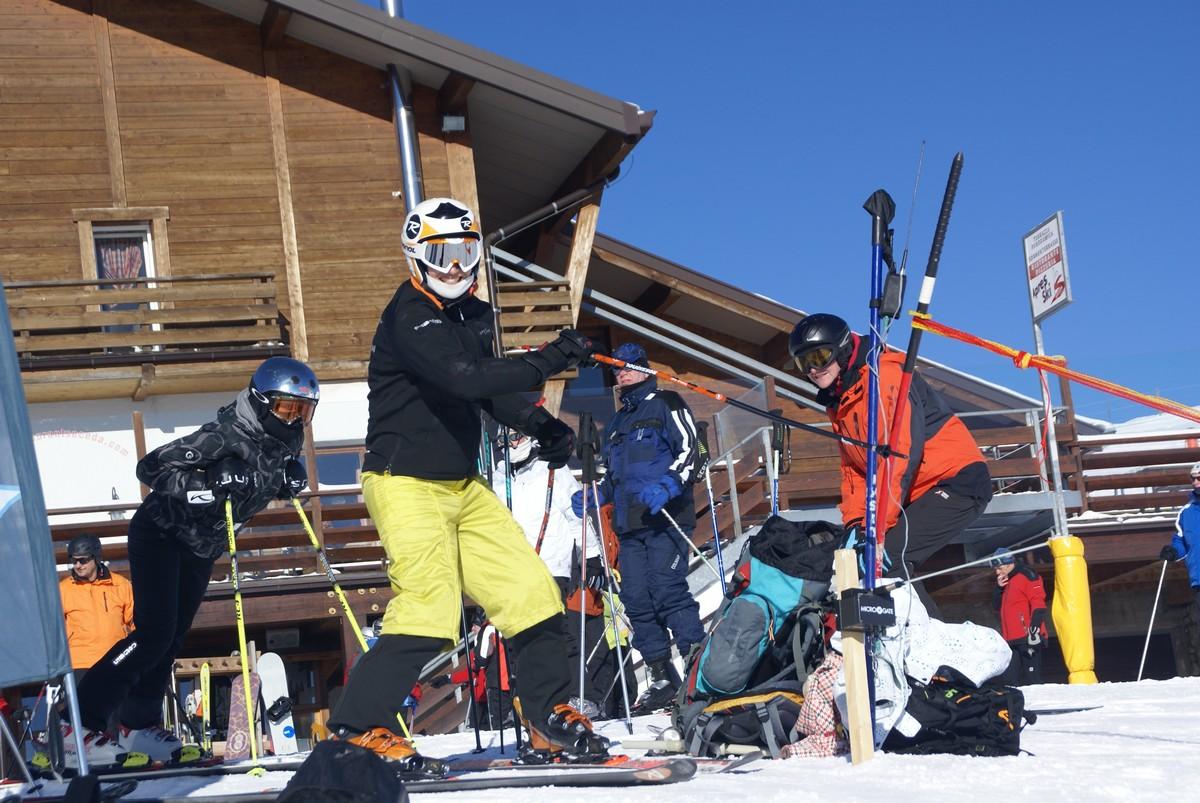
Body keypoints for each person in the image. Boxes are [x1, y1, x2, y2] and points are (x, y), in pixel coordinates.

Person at [325, 197, 607, 765]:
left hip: (461, 484)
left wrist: (541, 424)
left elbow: (488, 390)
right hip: (403, 480)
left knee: (529, 592)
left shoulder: (473, 315)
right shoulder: (411, 313)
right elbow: (460, 378)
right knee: (431, 605)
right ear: (416, 257)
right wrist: (549, 359)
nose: (455, 267)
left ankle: (548, 717)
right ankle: (358, 729)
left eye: (466, 252)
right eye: (441, 253)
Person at [70, 356, 319, 768]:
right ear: (261, 403)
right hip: (161, 532)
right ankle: (77, 722)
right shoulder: (225, 435)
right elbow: (150, 468)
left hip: (202, 546)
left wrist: (285, 480)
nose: (294, 420)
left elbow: (254, 484)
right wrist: (205, 483)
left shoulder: (283, 444)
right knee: (153, 634)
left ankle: (139, 724)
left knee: (172, 639)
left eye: (303, 411)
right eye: (286, 409)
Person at [788, 313, 992, 615]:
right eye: (804, 363)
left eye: (820, 356)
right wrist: (858, 524)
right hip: (916, 491)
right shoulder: (840, 399)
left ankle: (931, 649)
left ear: (843, 349)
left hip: (956, 480)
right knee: (871, 562)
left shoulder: (884, 377)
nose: (814, 369)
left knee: (890, 559)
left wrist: (879, 529)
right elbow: (856, 471)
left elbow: (899, 457)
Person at [573, 342, 704, 713]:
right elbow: (612, 476)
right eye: (617, 369)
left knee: (667, 590)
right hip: (629, 525)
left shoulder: (667, 404)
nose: (623, 373)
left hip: (666, 518)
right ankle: (663, 677)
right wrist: (596, 496)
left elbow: (691, 452)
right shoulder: (615, 423)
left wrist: (668, 484)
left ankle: (698, 671)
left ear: (646, 369)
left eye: (630, 366)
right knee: (635, 598)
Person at [491, 428, 610, 719]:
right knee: (518, 635)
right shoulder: (496, 477)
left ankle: (580, 696)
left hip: (550, 564)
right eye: (502, 441)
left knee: (554, 632)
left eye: (514, 438)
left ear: (530, 439)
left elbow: (576, 516)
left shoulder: (553, 471)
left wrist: (591, 556)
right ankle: (530, 699)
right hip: (513, 568)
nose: (508, 445)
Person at [59, 534, 134, 680]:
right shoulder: (63, 590)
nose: (77, 565)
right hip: (79, 664)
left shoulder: (120, 584)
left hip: (116, 660)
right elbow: (54, 633)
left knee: (118, 703)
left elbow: (136, 622)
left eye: (83, 560)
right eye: (73, 561)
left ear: (96, 557)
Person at [990, 548, 1048, 685]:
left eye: (999, 568)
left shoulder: (1028, 576)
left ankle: (1040, 701)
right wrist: (999, 589)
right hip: (1010, 638)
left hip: (1028, 637)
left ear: (1009, 563)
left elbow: (1038, 605)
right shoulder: (1006, 580)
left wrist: (1034, 631)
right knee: (1009, 679)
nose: (997, 572)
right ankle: (1014, 704)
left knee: (1032, 676)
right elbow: (997, 607)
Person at [1161, 461, 1200, 621]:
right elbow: (1182, 540)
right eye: (1193, 479)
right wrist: (1174, 551)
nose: (1195, 482)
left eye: (1199, 478)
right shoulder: (1187, 512)